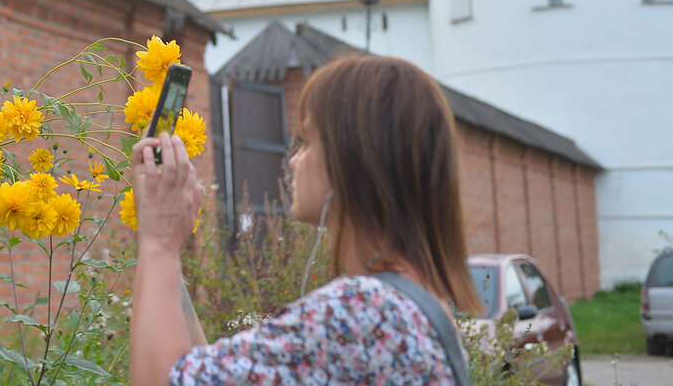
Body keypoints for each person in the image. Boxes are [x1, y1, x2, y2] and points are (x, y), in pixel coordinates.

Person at [129, 55, 482, 385]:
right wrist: (167, 248)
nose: (295, 160)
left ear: (353, 160)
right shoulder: (413, 304)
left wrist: (159, 243)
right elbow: (205, 372)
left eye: (308, 140)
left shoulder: (364, 312)